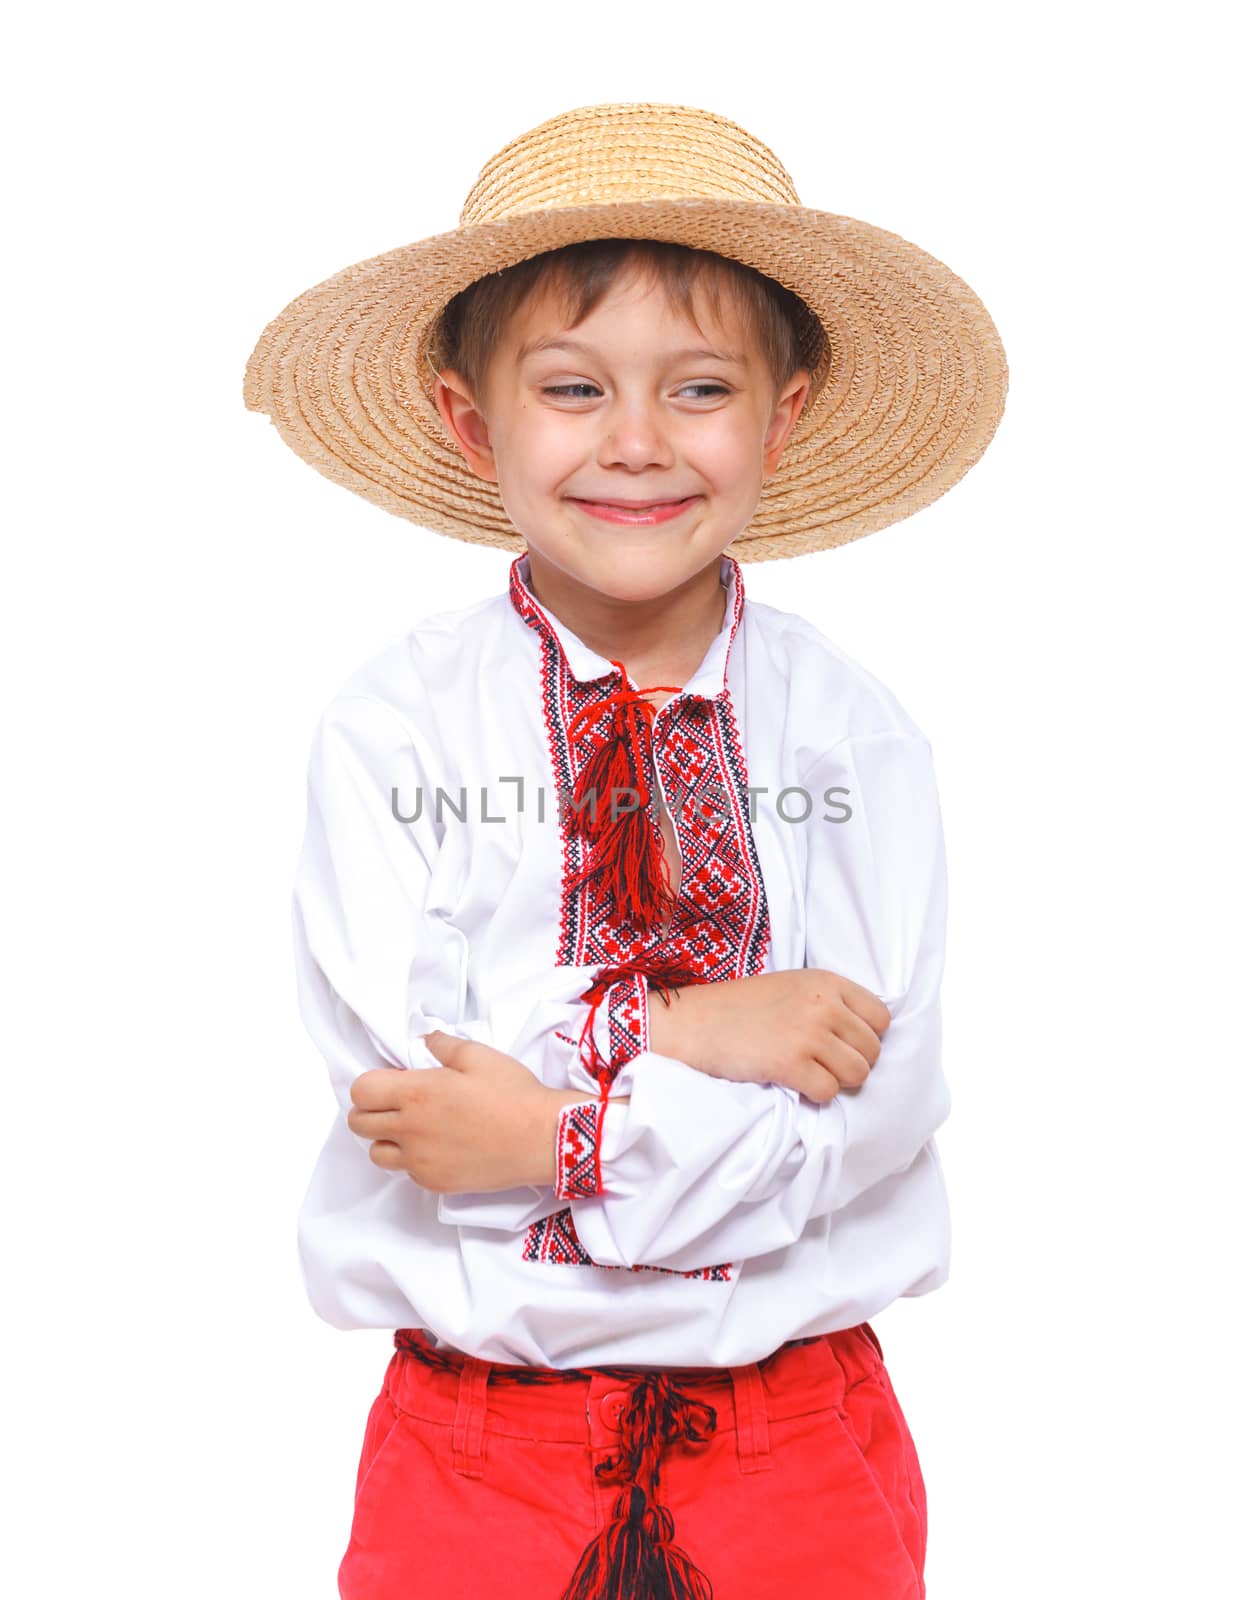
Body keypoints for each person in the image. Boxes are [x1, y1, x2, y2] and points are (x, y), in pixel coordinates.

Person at [244, 101, 1007, 1600]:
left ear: (783, 416)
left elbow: (876, 1103)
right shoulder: (396, 731)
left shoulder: (853, 739)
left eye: (702, 387)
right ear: (475, 420)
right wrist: (692, 1030)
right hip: (478, 1446)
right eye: (575, 387)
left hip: (797, 1436)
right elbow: (420, 1096)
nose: (640, 444)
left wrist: (554, 1134)